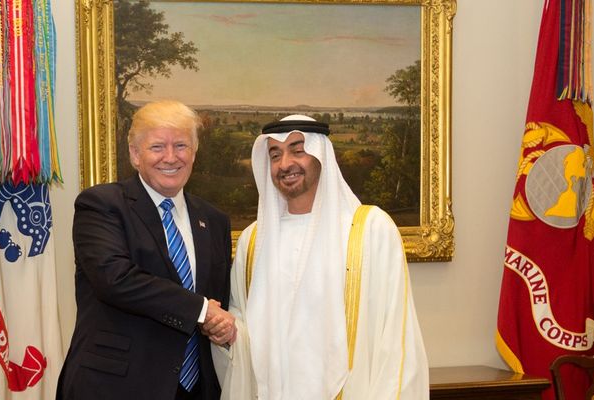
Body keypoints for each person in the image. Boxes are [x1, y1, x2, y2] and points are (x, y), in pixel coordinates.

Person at [215, 115, 428, 399]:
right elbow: (246, 326)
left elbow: (395, 338)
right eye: (275, 154)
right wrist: (227, 333)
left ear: (320, 156)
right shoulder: (254, 241)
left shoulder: (370, 229)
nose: (285, 163)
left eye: (298, 150)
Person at [58, 100, 236, 400]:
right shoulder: (101, 205)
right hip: (116, 387)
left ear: (194, 153)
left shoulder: (214, 220)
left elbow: (220, 299)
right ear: (135, 154)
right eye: (157, 147)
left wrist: (223, 329)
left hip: (195, 390)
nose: (170, 157)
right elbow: (116, 279)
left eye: (181, 145)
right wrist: (203, 311)